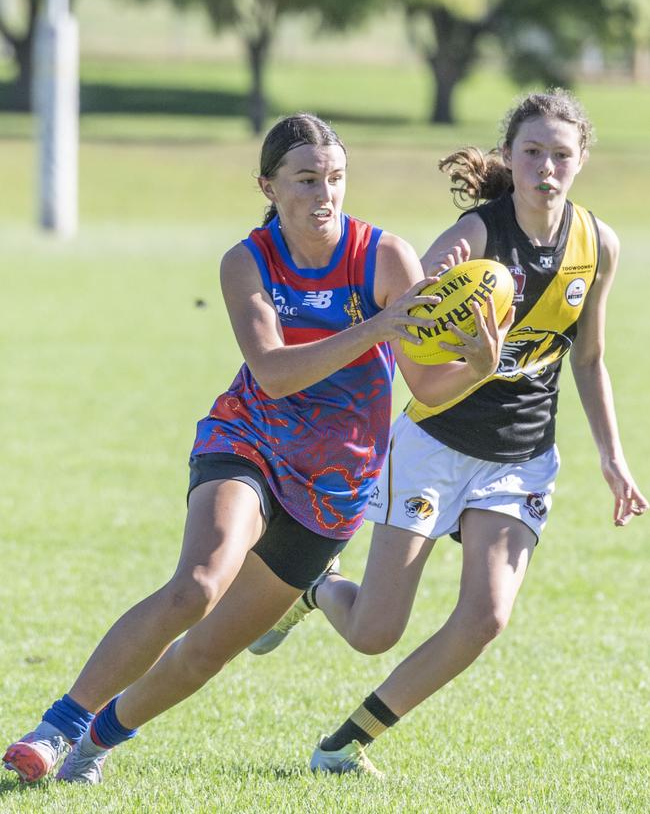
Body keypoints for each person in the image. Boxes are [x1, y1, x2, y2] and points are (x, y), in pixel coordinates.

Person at [3, 112, 509, 787]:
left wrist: (476, 368)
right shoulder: (247, 262)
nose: (324, 195)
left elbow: (421, 384)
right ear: (268, 185)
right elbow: (273, 371)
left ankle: (97, 742)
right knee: (196, 587)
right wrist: (380, 326)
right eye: (306, 180)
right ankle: (54, 729)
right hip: (251, 442)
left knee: (206, 653)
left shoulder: (383, 257)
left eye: (335, 178)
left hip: (336, 486)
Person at [247, 90, 648, 777]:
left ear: (581, 159)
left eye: (560, 155)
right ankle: (317, 586)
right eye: (531, 152)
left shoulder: (597, 244)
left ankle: (344, 745)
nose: (545, 168)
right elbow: (414, 328)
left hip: (521, 458)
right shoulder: (474, 239)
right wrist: (454, 330)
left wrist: (614, 455)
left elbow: (587, 357)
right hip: (436, 445)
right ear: (509, 157)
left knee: (487, 616)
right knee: (375, 631)